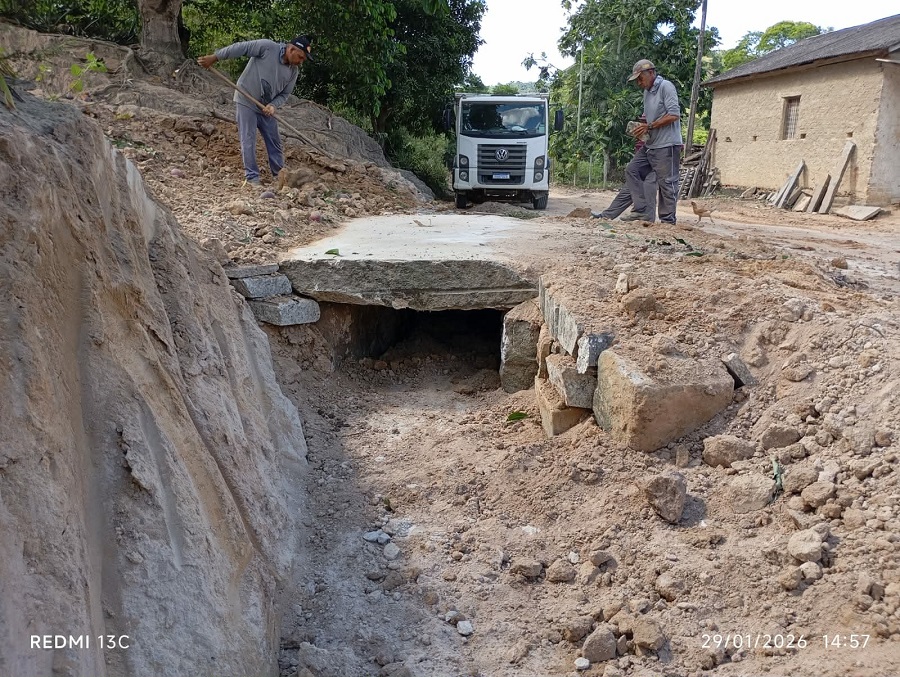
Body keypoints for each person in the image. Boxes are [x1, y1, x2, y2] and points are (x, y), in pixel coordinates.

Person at [198, 36, 313, 185]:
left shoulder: (293, 71)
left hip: (266, 108)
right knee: (248, 139)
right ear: (291, 49)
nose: (301, 62)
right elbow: (241, 48)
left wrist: (273, 105)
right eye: (300, 57)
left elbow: (284, 95)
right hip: (247, 100)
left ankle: (280, 176)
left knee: (275, 142)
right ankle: (252, 178)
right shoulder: (267, 47)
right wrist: (215, 57)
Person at [620, 59, 682, 223]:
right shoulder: (647, 92)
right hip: (651, 144)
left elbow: (674, 114)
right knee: (632, 170)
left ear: (651, 73)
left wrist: (650, 126)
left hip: (667, 145)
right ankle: (641, 210)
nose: (639, 83)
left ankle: (668, 221)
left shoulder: (665, 86)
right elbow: (651, 118)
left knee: (666, 183)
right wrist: (641, 126)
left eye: (640, 78)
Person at [591, 114, 658, 221]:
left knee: (648, 188)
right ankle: (607, 215)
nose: (640, 124)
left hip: (655, 166)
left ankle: (648, 219)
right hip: (642, 168)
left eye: (643, 122)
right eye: (640, 122)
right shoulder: (642, 139)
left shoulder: (660, 137)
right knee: (627, 191)